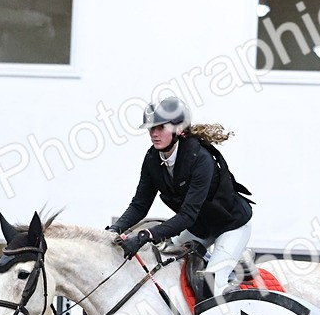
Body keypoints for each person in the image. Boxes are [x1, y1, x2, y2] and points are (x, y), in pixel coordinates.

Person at [108, 96, 253, 294]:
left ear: (179, 129)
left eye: (161, 128)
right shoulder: (152, 159)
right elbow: (140, 205)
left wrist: (146, 234)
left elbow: (187, 215)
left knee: (212, 284)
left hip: (231, 226)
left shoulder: (200, 159)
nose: (154, 134)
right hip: (200, 228)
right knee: (163, 262)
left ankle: (235, 271)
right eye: (151, 128)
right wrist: (115, 229)